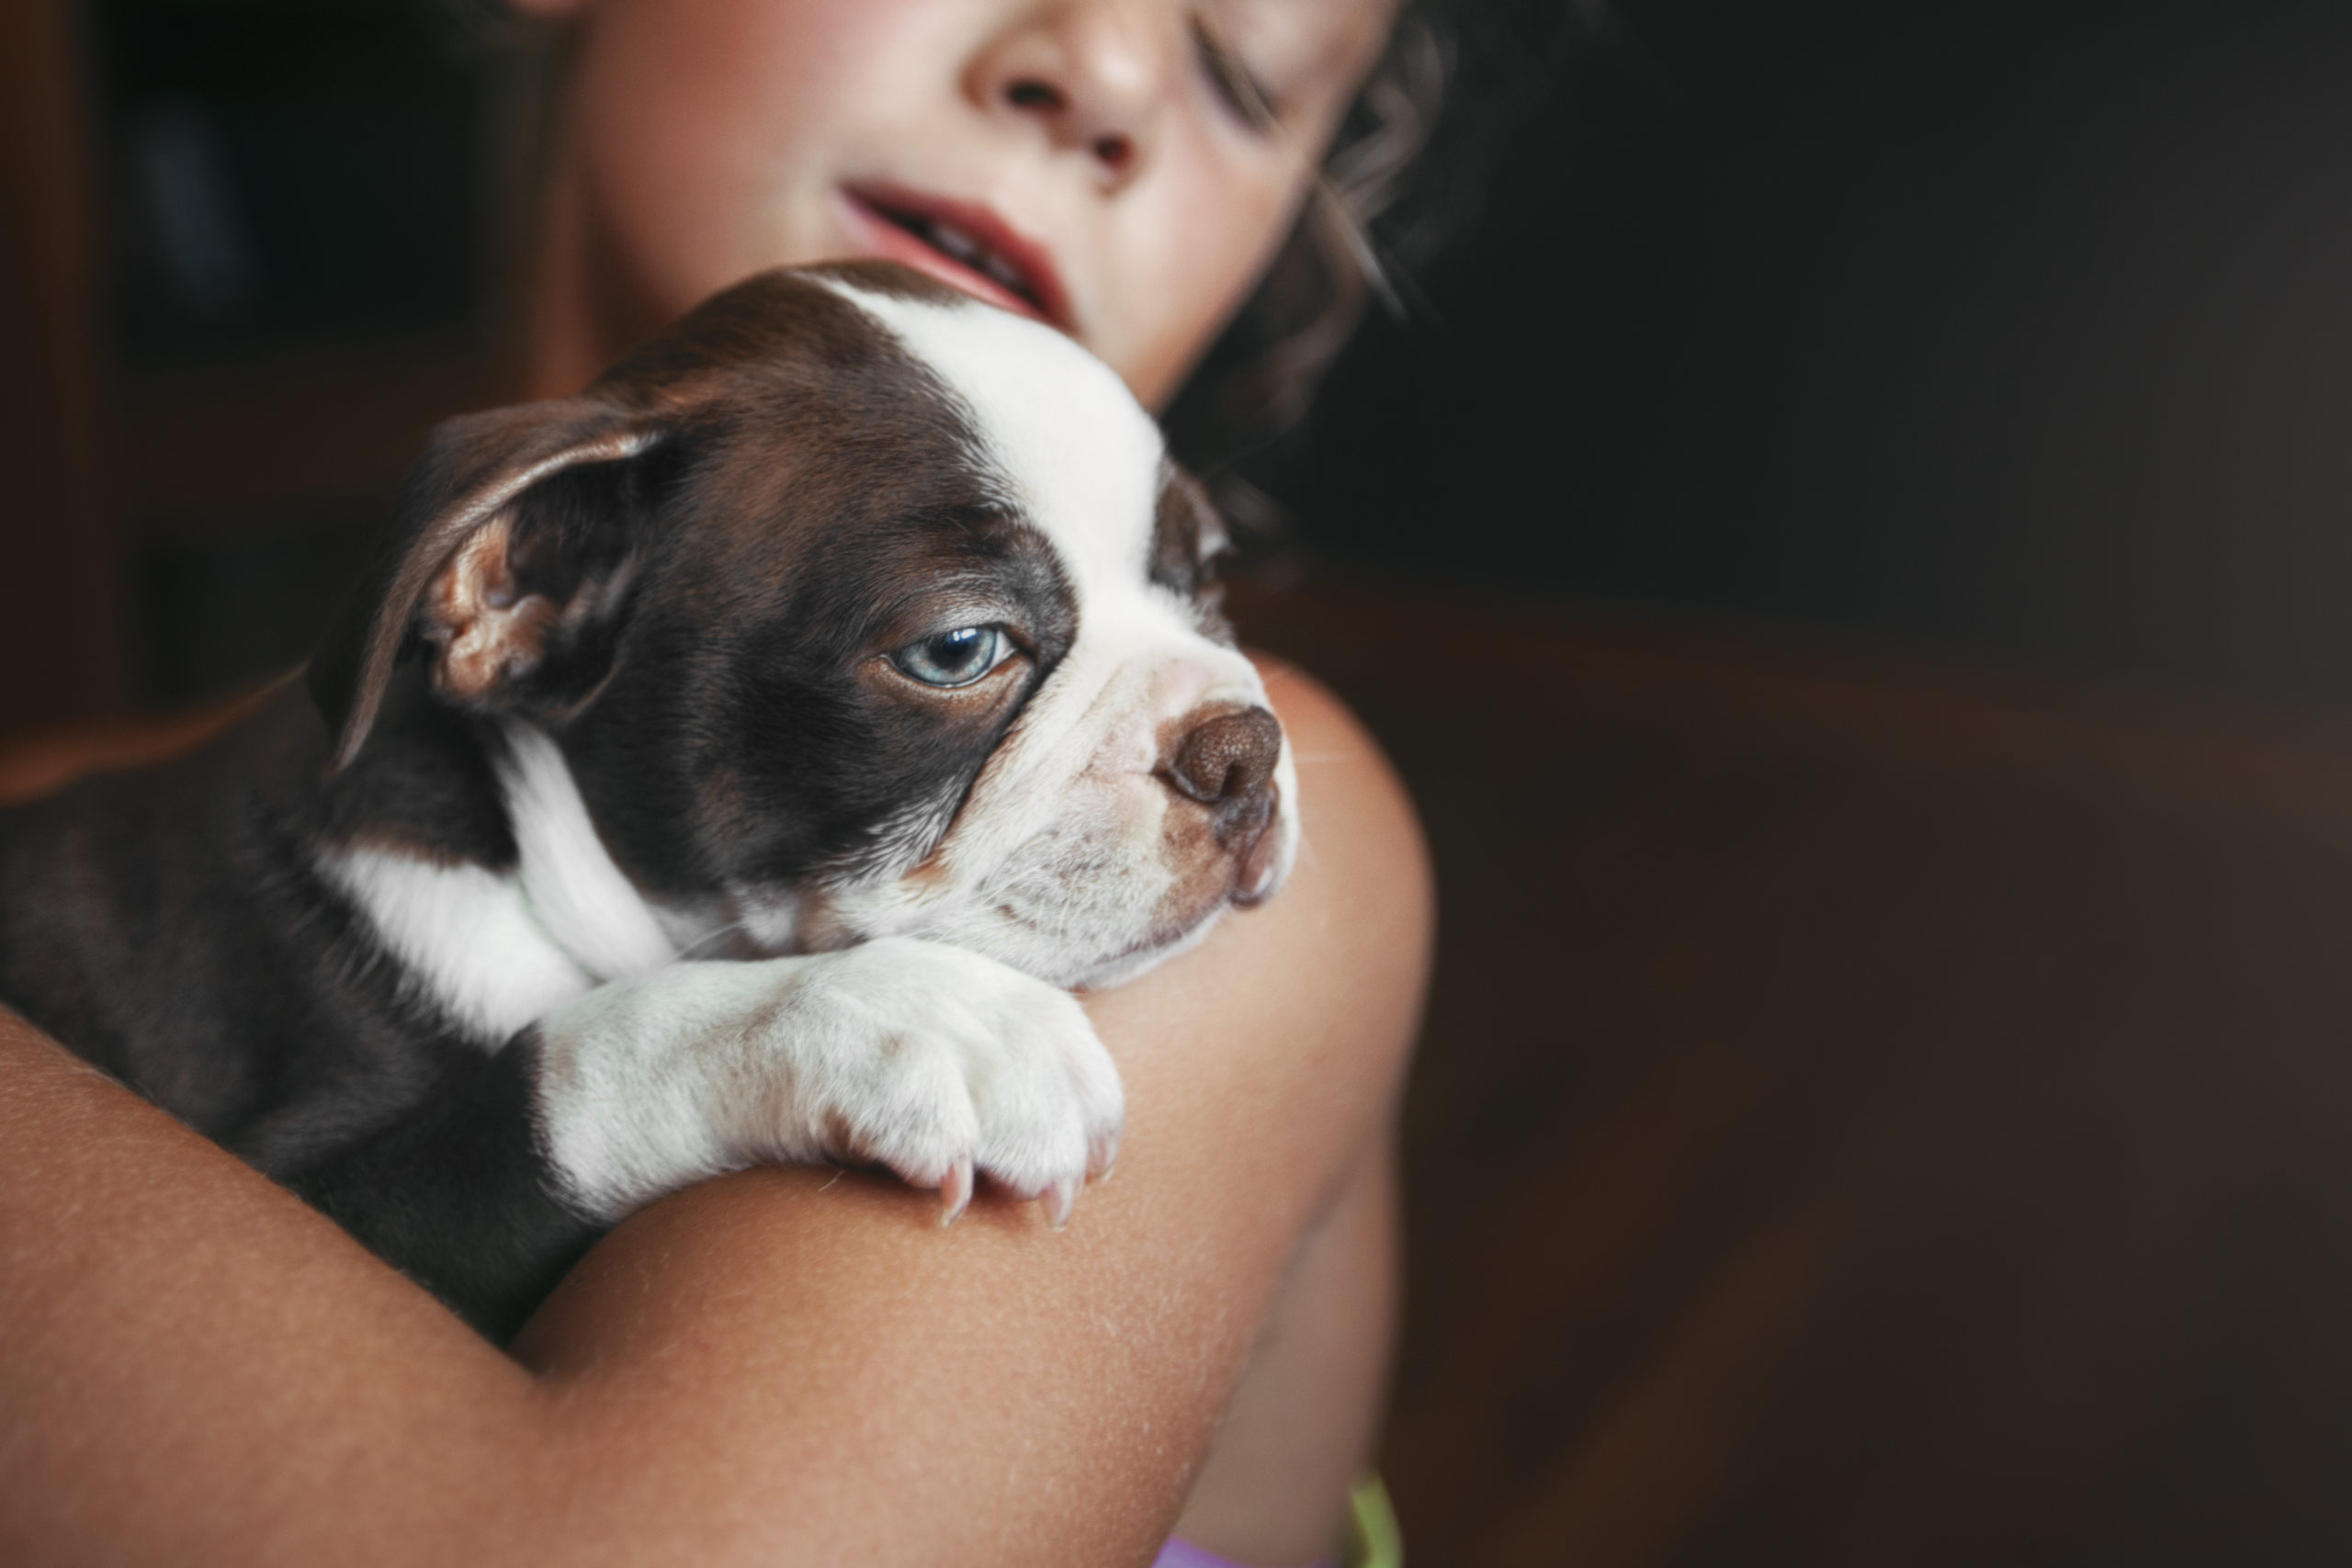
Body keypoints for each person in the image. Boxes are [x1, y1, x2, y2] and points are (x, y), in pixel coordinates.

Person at [0, 3, 1442, 1563]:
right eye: (966, 641)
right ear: (505, 589)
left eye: (1242, 80)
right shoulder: (161, 837)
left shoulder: (1304, 858)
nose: (1099, 73)